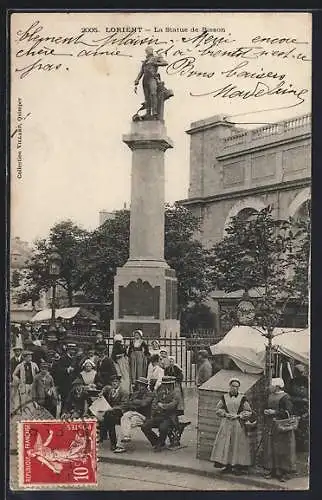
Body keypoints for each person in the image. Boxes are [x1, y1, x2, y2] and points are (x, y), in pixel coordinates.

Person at [210, 378, 253, 475]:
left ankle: (238, 467)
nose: (234, 388)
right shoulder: (224, 397)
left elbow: (249, 411)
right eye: (233, 386)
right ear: (230, 386)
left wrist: (239, 415)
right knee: (226, 444)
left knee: (237, 445)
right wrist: (225, 414)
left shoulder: (242, 398)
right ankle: (227, 466)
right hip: (226, 424)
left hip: (238, 424)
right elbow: (218, 409)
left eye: (236, 387)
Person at [264, 377, 297, 482]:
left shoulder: (285, 397)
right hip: (271, 425)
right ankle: (273, 470)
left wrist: (274, 412)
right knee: (271, 447)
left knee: (282, 449)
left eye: (271, 385)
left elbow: (288, 412)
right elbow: (266, 406)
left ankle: (283, 472)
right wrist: (266, 411)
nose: (269, 387)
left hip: (282, 426)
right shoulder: (270, 395)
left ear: (277, 386)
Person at [114, 377, 154, 453]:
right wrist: (135, 403)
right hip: (133, 415)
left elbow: (144, 403)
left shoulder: (150, 394)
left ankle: (122, 443)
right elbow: (128, 403)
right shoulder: (135, 393)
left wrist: (134, 402)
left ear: (146, 386)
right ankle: (123, 441)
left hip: (143, 416)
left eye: (142, 385)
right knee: (126, 420)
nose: (140, 387)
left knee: (126, 419)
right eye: (139, 385)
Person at [141, 376, 180, 452]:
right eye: (164, 384)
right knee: (144, 426)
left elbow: (173, 404)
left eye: (168, 384)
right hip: (159, 415)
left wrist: (163, 406)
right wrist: (156, 408)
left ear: (172, 384)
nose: (166, 386)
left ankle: (159, 444)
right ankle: (156, 442)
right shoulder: (160, 391)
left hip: (169, 417)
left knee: (163, 428)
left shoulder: (176, 392)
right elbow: (155, 402)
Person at [134, 46, 168, 119]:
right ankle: (148, 113)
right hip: (145, 79)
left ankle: (155, 112)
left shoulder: (156, 58)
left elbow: (165, 63)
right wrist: (137, 80)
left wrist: (155, 63)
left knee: (153, 94)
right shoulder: (145, 61)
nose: (148, 51)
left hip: (152, 78)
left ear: (152, 50)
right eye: (146, 50)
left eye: (149, 50)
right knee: (147, 98)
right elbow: (141, 72)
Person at [99, 375, 129, 450]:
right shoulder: (110, 390)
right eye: (113, 382)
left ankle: (103, 436)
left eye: (116, 382)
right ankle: (112, 443)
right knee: (108, 418)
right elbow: (106, 387)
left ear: (119, 383)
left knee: (107, 417)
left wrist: (112, 409)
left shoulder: (124, 392)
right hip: (110, 413)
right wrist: (101, 392)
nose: (114, 383)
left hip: (120, 413)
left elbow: (124, 405)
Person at [288, 364, 309, 452]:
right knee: (295, 427)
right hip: (295, 408)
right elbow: (289, 395)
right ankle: (297, 446)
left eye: (302, 372)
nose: (301, 374)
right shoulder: (292, 382)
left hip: (305, 409)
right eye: (299, 372)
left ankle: (303, 447)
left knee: (304, 427)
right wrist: (300, 399)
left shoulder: (307, 381)